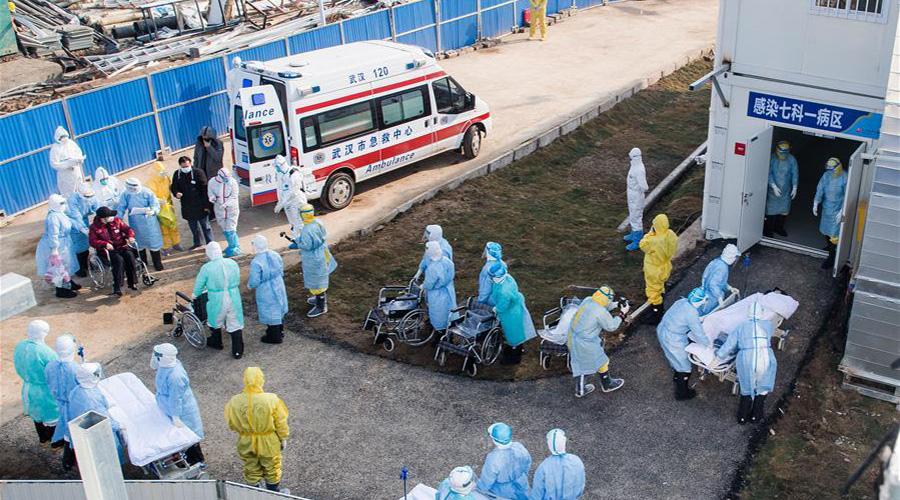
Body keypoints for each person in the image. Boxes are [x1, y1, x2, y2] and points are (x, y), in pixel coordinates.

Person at [225, 367, 290, 493]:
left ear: (245, 380)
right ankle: (273, 493)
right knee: (272, 467)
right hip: (269, 441)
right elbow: (281, 422)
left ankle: (254, 493)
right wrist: (283, 437)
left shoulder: (234, 401)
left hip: (246, 441)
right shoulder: (272, 399)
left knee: (250, 467)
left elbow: (231, 424)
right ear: (261, 380)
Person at [716, 301, 777, 425]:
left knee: (747, 386)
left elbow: (730, 344)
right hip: (765, 356)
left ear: (748, 314)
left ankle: (742, 417)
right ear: (762, 313)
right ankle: (756, 415)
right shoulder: (767, 325)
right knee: (763, 384)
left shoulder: (741, 327)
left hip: (747, 358)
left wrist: (719, 354)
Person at [567, 286, 628, 397]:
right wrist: (622, 314)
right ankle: (606, 385)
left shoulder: (588, 300)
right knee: (597, 362)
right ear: (607, 298)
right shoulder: (600, 312)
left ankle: (582, 388)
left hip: (572, 337)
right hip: (585, 343)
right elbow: (612, 326)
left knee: (582, 363)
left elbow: (602, 306)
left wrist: (617, 304)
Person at [151, 343, 206, 466]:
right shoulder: (166, 365)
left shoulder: (176, 376)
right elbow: (154, 364)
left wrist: (176, 416)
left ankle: (196, 461)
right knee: (178, 436)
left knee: (190, 436)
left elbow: (176, 399)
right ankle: (183, 457)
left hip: (181, 410)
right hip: (169, 405)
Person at [656, 287, 710, 401]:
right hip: (673, 339)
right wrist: (708, 344)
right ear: (699, 301)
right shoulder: (692, 313)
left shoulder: (681, 301)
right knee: (685, 367)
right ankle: (682, 393)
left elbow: (680, 317)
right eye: (703, 300)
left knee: (672, 357)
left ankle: (677, 377)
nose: (704, 302)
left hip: (662, 330)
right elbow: (699, 334)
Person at [13, 320, 60, 446]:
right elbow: (55, 372)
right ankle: (56, 443)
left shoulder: (20, 346)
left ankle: (43, 439)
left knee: (36, 413)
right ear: (43, 334)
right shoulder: (46, 352)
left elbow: (17, 364)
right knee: (52, 416)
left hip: (28, 387)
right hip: (45, 390)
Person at [67, 362, 125, 464]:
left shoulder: (76, 390)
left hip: (82, 426)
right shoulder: (92, 400)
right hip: (98, 432)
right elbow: (105, 421)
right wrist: (119, 425)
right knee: (110, 454)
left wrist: (106, 404)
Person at [194, 242, 244, 358]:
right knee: (235, 321)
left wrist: (195, 294)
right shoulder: (232, 262)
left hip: (217, 297)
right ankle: (238, 351)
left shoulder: (207, 268)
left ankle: (217, 342)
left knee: (215, 319)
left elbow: (199, 283)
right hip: (233, 295)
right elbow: (237, 276)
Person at [489, 262, 537, 365]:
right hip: (515, 308)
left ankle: (514, 357)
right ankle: (517, 348)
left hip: (509, 314)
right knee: (517, 331)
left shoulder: (503, 291)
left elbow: (503, 306)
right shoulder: (508, 278)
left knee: (512, 333)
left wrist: (495, 309)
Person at [36, 194, 82, 298]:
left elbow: (71, 221)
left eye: (63, 202)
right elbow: (53, 234)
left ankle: (68, 282)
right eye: (61, 203)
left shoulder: (60, 213)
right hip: (56, 245)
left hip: (64, 243)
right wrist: (54, 248)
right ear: (54, 205)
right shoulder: (53, 217)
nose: (63, 205)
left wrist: (82, 228)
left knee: (66, 264)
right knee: (57, 267)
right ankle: (60, 289)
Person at [44, 334, 80, 467]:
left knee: (64, 426)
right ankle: (69, 462)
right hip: (74, 406)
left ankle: (67, 460)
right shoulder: (76, 369)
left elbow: (49, 383)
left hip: (58, 403)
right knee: (73, 434)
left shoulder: (49, 366)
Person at [297, 204, 337, 317]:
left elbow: (307, 245)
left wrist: (298, 243)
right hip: (321, 253)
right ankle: (319, 298)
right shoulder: (318, 222)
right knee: (320, 278)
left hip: (313, 257)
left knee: (316, 281)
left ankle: (321, 306)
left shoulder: (306, 229)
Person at [89, 206, 138, 296]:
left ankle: (132, 282)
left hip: (121, 246)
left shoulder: (117, 221)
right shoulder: (94, 227)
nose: (112, 217)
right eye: (109, 216)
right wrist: (104, 244)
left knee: (130, 256)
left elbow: (127, 229)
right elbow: (92, 241)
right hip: (107, 251)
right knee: (119, 260)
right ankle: (118, 286)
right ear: (103, 218)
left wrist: (130, 236)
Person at [248, 236, 288, 344]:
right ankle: (280, 330)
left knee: (270, 310)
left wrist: (250, 285)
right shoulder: (275, 254)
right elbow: (281, 268)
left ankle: (274, 336)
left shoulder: (256, 262)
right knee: (279, 306)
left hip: (265, 288)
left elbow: (254, 280)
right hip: (278, 283)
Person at [118, 177, 164, 271]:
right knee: (138, 243)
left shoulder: (147, 192)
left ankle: (157, 262)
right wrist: (118, 218)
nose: (133, 190)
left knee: (153, 241)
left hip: (149, 221)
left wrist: (153, 211)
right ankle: (143, 263)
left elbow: (155, 204)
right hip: (135, 222)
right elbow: (121, 207)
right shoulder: (126, 194)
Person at [476, 422, 531, 500]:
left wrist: (478, 488)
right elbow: (527, 464)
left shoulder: (493, 458)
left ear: (494, 440)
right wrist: (522, 476)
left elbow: (487, 481)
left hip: (503, 491)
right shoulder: (519, 447)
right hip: (522, 484)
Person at [639, 214, 678, 318]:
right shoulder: (671, 234)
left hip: (653, 269)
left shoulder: (652, 241)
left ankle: (657, 313)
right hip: (665, 265)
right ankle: (661, 294)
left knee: (653, 291)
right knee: (661, 284)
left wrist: (650, 234)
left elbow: (642, 245)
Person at [170, 156, 213, 250]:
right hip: (187, 205)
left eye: (187, 166)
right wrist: (176, 193)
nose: (186, 168)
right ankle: (197, 243)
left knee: (205, 226)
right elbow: (173, 186)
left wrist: (206, 205)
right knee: (194, 227)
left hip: (200, 205)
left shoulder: (198, 173)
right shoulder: (177, 174)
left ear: (190, 164)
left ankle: (210, 243)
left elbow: (205, 190)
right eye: (183, 167)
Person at [531, 429, 585, 500]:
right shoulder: (576, 461)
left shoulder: (543, 467)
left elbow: (538, 493)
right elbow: (580, 483)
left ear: (549, 446)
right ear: (564, 442)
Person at [813, 157, 848, 270]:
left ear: (838, 167)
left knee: (834, 235)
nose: (830, 172)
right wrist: (816, 202)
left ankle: (832, 258)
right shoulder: (826, 175)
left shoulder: (845, 177)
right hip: (827, 208)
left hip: (837, 210)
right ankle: (830, 247)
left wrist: (843, 209)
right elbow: (820, 188)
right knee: (826, 231)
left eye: (832, 169)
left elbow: (848, 195)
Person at [764, 141, 799, 238]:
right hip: (773, 190)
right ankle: (767, 230)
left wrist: (795, 187)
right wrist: (773, 186)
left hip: (786, 190)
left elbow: (794, 174)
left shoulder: (792, 160)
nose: (783, 154)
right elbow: (769, 173)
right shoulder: (772, 158)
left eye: (785, 152)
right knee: (770, 210)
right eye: (781, 152)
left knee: (784, 210)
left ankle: (778, 227)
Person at [272, 155, 308, 250]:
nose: (276, 169)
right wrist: (280, 201)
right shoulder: (280, 174)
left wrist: (282, 203)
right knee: (292, 223)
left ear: (282, 165)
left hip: (297, 200)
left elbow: (294, 190)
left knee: (299, 222)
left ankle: (305, 240)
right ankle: (297, 240)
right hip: (287, 203)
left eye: (277, 167)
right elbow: (280, 189)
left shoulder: (293, 173)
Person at [422, 240, 457, 337]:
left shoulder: (432, 268)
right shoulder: (448, 262)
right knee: (450, 310)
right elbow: (451, 275)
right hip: (448, 291)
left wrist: (423, 286)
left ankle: (440, 335)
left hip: (436, 295)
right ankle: (450, 332)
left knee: (439, 314)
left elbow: (429, 284)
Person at [147, 161, 183, 253]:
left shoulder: (166, 178)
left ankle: (176, 243)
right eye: (160, 173)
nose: (163, 174)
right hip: (159, 208)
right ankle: (166, 247)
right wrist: (159, 201)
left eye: (164, 172)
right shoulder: (151, 182)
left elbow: (170, 187)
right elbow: (151, 197)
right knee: (163, 228)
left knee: (173, 225)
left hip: (168, 205)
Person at [698, 244, 740, 316]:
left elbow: (718, 281)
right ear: (731, 257)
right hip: (711, 298)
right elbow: (713, 284)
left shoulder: (716, 261)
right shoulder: (723, 268)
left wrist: (730, 288)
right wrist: (719, 297)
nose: (735, 259)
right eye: (734, 257)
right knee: (707, 316)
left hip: (703, 293)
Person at [66, 184, 98, 278]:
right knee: (78, 247)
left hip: (84, 220)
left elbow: (96, 207)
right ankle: (79, 267)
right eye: (87, 196)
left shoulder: (91, 196)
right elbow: (76, 216)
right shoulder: (72, 200)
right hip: (74, 224)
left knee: (85, 245)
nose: (89, 198)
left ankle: (87, 264)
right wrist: (83, 228)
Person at [208, 165, 241, 257]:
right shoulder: (212, 182)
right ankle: (231, 245)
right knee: (224, 227)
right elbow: (210, 192)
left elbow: (234, 196)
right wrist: (212, 198)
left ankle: (235, 247)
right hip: (219, 207)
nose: (227, 179)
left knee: (231, 228)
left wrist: (226, 204)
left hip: (231, 208)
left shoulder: (232, 182)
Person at [48, 126, 86, 198]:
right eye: (62, 137)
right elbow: (54, 163)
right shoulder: (55, 148)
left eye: (65, 136)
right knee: (69, 195)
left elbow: (79, 152)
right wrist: (67, 164)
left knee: (80, 190)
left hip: (76, 171)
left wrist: (79, 160)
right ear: (58, 138)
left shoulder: (71, 143)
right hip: (65, 175)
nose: (64, 138)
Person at [624, 147, 649, 251]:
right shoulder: (634, 166)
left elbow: (644, 187)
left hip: (636, 196)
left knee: (636, 217)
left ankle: (637, 240)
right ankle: (633, 234)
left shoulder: (639, 169)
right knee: (632, 215)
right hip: (632, 194)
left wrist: (637, 191)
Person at [477, 242, 505, 306]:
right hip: (502, 297)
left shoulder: (487, 269)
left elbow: (486, 287)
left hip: (492, 301)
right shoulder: (502, 264)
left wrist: (481, 299)